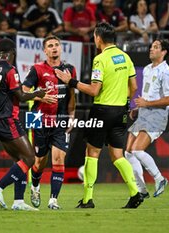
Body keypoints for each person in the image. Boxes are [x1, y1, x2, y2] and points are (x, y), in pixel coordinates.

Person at [55, 22, 143, 209]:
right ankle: (135, 193)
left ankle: (88, 199)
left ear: (99, 38)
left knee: (92, 153)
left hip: (102, 111)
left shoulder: (100, 59)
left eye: (95, 36)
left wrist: (70, 81)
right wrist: (122, 100)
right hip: (121, 111)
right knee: (118, 155)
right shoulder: (125, 57)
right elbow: (134, 87)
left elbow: (95, 90)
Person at [0, 38, 46, 211]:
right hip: (7, 119)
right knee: (31, 158)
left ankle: (18, 201)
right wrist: (38, 93)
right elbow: (22, 96)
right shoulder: (10, 70)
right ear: (13, 53)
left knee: (20, 160)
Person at [22, 35, 76, 210]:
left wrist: (72, 115)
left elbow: (72, 95)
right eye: (50, 46)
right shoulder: (37, 69)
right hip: (38, 119)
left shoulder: (69, 69)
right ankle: (35, 186)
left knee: (59, 159)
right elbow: (23, 91)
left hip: (61, 119)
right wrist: (41, 96)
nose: (54, 48)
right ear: (45, 51)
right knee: (39, 162)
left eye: (57, 45)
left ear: (61, 48)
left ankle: (53, 200)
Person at [125, 39, 169, 199]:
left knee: (137, 150)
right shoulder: (147, 69)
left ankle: (160, 179)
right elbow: (147, 94)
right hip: (144, 113)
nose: (151, 49)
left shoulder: (166, 72)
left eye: (156, 47)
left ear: (164, 52)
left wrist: (147, 103)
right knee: (128, 153)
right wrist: (138, 107)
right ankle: (142, 190)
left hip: (157, 116)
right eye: (151, 46)